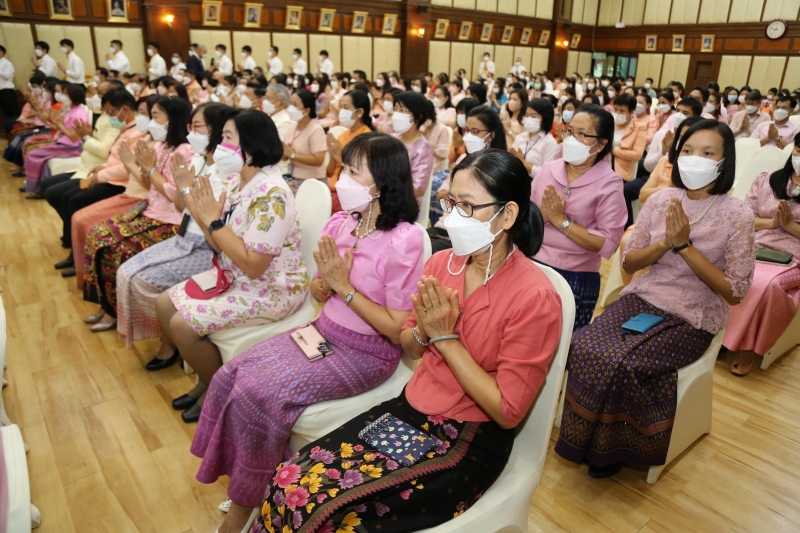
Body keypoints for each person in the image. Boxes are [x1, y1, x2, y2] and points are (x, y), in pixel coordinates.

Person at [258, 148, 561, 532]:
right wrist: (424, 332)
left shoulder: (533, 296)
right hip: (413, 407)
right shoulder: (442, 263)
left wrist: (447, 338)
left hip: (468, 436)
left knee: (336, 518)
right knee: (287, 482)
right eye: (450, 202)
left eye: (467, 206)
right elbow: (410, 346)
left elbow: (507, 409)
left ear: (509, 214)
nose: (451, 216)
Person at [189, 132, 425, 532]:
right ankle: (256, 482)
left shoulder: (406, 239)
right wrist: (329, 282)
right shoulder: (341, 222)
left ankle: (244, 512)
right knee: (234, 373)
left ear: (384, 182)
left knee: (264, 394)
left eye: (353, 172)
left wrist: (345, 287)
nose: (343, 180)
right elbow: (318, 291)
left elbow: (396, 328)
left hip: (367, 351)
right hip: (320, 329)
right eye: (344, 169)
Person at [556, 119, 755, 478]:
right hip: (646, 296)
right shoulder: (661, 199)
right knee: (584, 344)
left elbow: (735, 291)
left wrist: (685, 246)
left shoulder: (738, 214)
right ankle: (581, 439)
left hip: (694, 313)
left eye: (708, 153)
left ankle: (613, 451)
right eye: (689, 151)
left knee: (623, 360)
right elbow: (630, 261)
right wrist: (666, 242)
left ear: (724, 163)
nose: (695, 159)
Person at [116, 104, 239, 354]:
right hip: (184, 236)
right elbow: (179, 203)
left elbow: (210, 223)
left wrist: (186, 190)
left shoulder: (226, 169)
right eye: (189, 127)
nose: (191, 132)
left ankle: (169, 341)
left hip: (206, 247)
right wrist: (185, 188)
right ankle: (167, 337)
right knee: (125, 271)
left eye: (197, 127)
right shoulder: (197, 158)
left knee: (142, 280)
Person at [81, 96, 193, 332]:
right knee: (96, 235)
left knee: (115, 248)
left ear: (172, 120)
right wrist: (136, 164)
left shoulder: (185, 151)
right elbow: (148, 183)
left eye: (155, 116)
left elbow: (174, 195)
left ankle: (115, 312)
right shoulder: (162, 145)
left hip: (169, 220)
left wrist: (149, 168)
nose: (151, 122)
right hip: (149, 209)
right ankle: (106, 305)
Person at [531, 104, 627, 329]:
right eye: (569, 131)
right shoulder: (548, 169)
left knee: (559, 344)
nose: (571, 139)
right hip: (533, 263)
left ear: (601, 144)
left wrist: (561, 222)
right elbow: (526, 220)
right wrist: (545, 215)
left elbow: (607, 243)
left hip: (574, 276)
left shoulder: (609, 183)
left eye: (582, 134)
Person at [46, 89, 146, 275]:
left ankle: (77, 254)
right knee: (65, 196)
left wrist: (100, 175)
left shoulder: (138, 133)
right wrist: (103, 167)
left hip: (120, 183)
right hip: (107, 174)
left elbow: (127, 167)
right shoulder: (127, 128)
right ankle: (74, 247)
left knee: (74, 200)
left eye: (110, 112)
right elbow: (115, 157)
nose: (108, 117)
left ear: (123, 109)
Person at [724, 137, 800, 375]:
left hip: (793, 255)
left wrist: (790, 227)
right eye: (799, 148)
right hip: (756, 246)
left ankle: (746, 347)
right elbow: (744, 218)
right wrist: (773, 222)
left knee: (762, 283)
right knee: (720, 269)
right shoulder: (767, 179)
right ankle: (717, 334)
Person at [71, 95, 160, 284]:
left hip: (137, 196)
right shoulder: (145, 137)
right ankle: (82, 271)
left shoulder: (154, 142)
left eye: (148, 114)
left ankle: (92, 279)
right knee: (78, 216)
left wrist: (110, 171)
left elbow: (148, 183)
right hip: (129, 190)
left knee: (89, 224)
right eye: (143, 113)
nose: (141, 118)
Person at [429, 105, 506, 253]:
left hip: (470, 235)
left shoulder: (499, 167)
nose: (468, 136)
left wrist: (455, 197)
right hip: (445, 226)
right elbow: (440, 197)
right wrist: (455, 193)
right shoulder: (463, 159)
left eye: (475, 131)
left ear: (492, 134)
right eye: (467, 130)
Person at [23, 84, 90, 198]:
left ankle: (37, 187)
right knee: (38, 156)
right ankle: (39, 187)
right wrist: (51, 121)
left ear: (72, 97)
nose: (62, 97)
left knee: (33, 155)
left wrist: (58, 123)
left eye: (65, 94)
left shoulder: (78, 114)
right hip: (63, 143)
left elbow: (73, 137)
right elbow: (62, 128)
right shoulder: (71, 110)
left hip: (71, 147)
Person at [326, 90, 375, 211]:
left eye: (346, 107)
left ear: (359, 112)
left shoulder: (367, 138)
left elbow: (361, 175)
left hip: (351, 192)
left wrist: (339, 156)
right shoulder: (342, 135)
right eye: (341, 107)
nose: (341, 111)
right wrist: (332, 154)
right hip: (333, 187)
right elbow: (330, 171)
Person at [611, 94, 648, 226]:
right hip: (603, 165)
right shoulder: (609, 122)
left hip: (623, 171)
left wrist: (613, 150)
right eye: (616, 109)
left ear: (631, 112)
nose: (617, 113)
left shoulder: (639, 128)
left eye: (622, 111)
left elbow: (637, 155)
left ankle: (625, 229)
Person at [281, 89, 327, 193]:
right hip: (292, 176)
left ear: (306, 111)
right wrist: (283, 152)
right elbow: (285, 156)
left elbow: (318, 160)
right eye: (291, 104)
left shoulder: (316, 129)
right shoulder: (291, 126)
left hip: (313, 180)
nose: (290, 108)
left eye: (295, 104)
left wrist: (293, 155)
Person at [391, 91, 435, 200]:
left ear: (418, 116)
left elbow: (417, 190)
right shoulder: (391, 139)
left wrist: (385, 186)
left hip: (403, 205)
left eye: (402, 110)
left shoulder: (423, 148)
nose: (396, 114)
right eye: (395, 109)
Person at [644, 97, 703, 173]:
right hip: (657, 176)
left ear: (695, 117)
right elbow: (648, 167)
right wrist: (662, 152)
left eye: (685, 113)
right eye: (677, 111)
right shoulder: (662, 135)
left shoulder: (697, 139)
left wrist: (672, 151)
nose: (678, 115)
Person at [510, 97, 558, 179]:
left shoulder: (549, 142)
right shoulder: (521, 137)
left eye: (533, 116)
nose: (529, 119)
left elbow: (547, 173)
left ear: (545, 118)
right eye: (527, 115)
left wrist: (523, 163)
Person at [0, 45, 19, 132]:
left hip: (7, 91)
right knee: (6, 113)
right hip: (1, 92)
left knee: (13, 113)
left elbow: (8, 76)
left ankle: (17, 130)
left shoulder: (7, 63)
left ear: (2, 52)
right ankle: (10, 133)